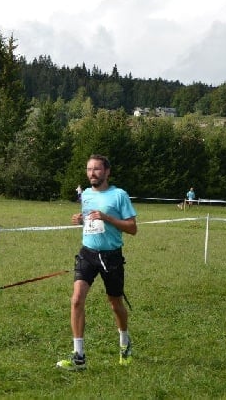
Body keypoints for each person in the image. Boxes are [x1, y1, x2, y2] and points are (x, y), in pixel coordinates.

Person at [56, 154, 138, 371]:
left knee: (115, 304)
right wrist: (80, 220)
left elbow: (132, 228)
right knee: (76, 300)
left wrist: (108, 218)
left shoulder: (119, 195)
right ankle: (79, 357)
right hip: (87, 253)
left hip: (111, 256)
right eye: (89, 169)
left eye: (97, 169)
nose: (92, 173)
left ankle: (124, 343)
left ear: (107, 172)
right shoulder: (86, 196)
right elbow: (89, 222)